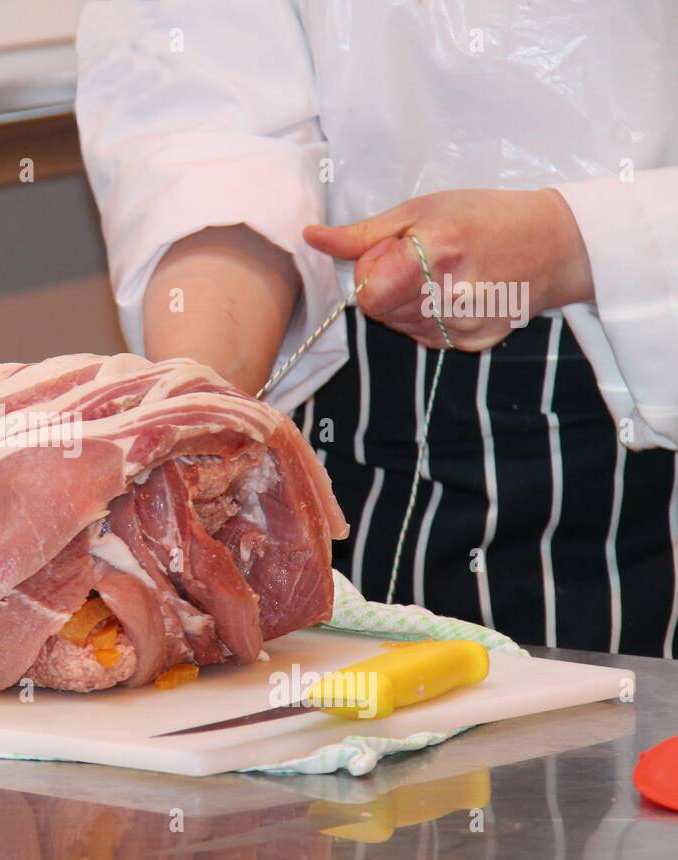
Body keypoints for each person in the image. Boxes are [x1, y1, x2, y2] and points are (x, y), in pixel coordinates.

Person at [75, 1, 677, 655]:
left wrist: (574, 241)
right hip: (355, 422)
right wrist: (194, 430)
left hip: (638, 429)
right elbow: (211, 133)